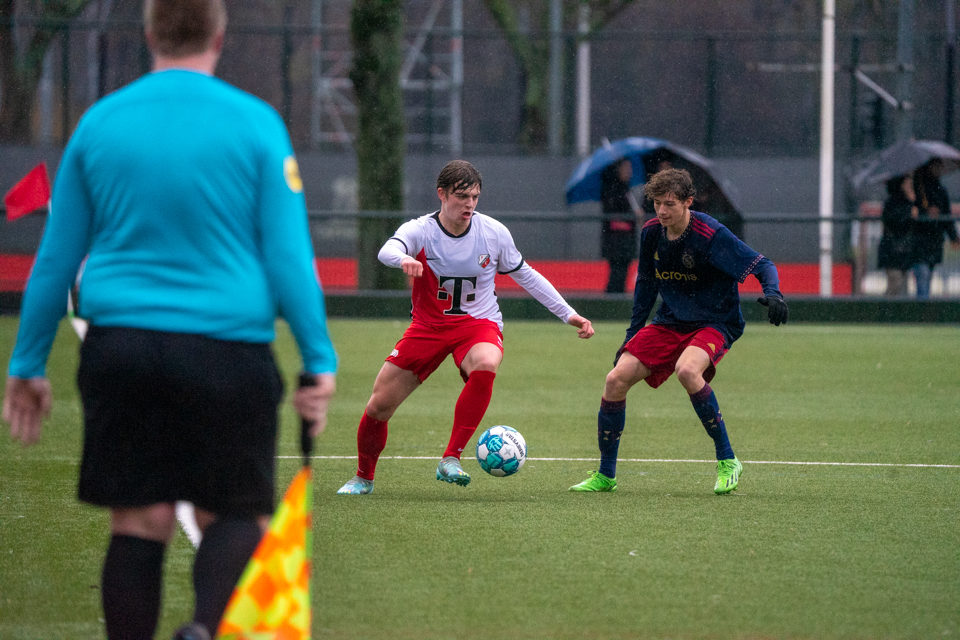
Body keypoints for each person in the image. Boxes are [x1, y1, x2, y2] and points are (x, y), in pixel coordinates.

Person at [1, 1, 338, 638]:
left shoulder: (99, 124)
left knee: (138, 522)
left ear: (149, 32)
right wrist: (318, 358)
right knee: (233, 516)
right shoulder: (256, 123)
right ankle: (205, 629)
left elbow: (55, 260)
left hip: (120, 349)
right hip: (227, 352)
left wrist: (27, 364)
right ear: (220, 34)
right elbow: (289, 259)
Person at [337, 160, 594, 495]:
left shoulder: (493, 233)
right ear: (442, 194)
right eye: (461, 196)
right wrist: (404, 259)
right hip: (428, 327)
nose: (469, 204)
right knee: (379, 405)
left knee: (486, 362)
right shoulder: (421, 230)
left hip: (477, 324)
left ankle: (451, 457)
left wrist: (568, 314)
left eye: (474, 196)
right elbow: (388, 249)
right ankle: (363, 478)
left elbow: (527, 276)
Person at [569, 168, 787, 495]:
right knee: (615, 380)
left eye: (669, 204)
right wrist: (632, 335)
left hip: (716, 321)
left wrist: (774, 294)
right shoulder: (652, 232)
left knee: (687, 370)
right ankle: (606, 475)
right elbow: (645, 285)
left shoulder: (709, 233)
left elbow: (762, 264)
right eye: (657, 203)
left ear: (688, 201)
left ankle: (728, 459)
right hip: (670, 321)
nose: (661, 211)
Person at [912, 159, 960, 299]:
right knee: (923, 274)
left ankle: (923, 302)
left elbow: (947, 217)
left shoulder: (940, 191)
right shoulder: (918, 188)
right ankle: (923, 305)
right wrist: (924, 213)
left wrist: (953, 237)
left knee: (927, 275)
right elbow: (913, 212)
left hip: (934, 240)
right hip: (920, 240)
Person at [600, 158, 643, 293]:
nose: (629, 172)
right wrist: (631, 221)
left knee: (622, 273)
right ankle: (612, 299)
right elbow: (612, 219)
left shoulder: (626, 190)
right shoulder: (612, 191)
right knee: (617, 274)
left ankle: (616, 297)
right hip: (616, 242)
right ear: (618, 169)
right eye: (626, 168)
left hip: (625, 242)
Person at [876, 173, 919, 297]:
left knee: (900, 284)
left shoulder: (909, 202)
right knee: (896, 283)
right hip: (892, 250)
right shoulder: (893, 202)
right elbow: (896, 223)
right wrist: (909, 212)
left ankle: (892, 307)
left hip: (902, 250)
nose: (910, 187)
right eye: (907, 184)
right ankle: (885, 308)